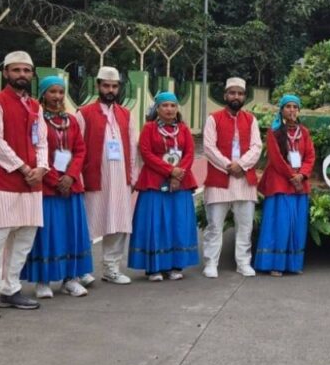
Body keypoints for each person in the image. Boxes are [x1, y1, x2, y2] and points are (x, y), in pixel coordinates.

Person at [0, 51, 48, 319]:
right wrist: (24, 167)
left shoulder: (36, 106)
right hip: (4, 181)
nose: (22, 76)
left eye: (27, 71)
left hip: (32, 184)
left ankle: (10, 288)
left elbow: (42, 141)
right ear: (5, 73)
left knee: (24, 240)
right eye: (16, 71)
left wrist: (41, 167)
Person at [21, 76, 92, 299]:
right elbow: (34, 151)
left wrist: (70, 176)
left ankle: (70, 279)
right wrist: (54, 179)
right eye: (52, 92)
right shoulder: (35, 120)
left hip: (71, 187)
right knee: (48, 233)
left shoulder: (70, 120)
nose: (57, 97)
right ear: (43, 94)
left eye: (61, 92)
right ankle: (43, 280)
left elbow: (80, 150)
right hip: (48, 187)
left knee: (72, 231)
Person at [75, 66, 137, 285]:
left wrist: (132, 176)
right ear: (98, 86)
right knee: (89, 223)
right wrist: (77, 177)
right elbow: (77, 147)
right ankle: (81, 270)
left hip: (120, 179)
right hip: (94, 178)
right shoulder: (84, 113)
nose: (110, 90)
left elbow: (132, 144)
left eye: (114, 86)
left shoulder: (125, 114)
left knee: (118, 223)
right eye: (106, 86)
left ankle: (111, 268)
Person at [129, 91, 200, 281]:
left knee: (178, 223)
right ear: (157, 109)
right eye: (165, 105)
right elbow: (146, 153)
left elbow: (189, 154)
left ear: (177, 109)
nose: (169, 109)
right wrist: (170, 171)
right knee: (156, 223)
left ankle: (175, 265)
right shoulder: (149, 128)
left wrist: (178, 174)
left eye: (173, 105)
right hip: (155, 181)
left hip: (180, 183)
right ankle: (154, 267)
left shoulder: (183, 129)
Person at [202, 77, 262, 278]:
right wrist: (228, 165)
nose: (236, 96)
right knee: (214, 226)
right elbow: (209, 147)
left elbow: (257, 147)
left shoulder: (251, 120)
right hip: (220, 179)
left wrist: (241, 165)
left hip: (244, 180)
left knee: (245, 226)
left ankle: (243, 263)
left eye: (240, 93)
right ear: (225, 95)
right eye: (232, 93)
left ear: (244, 96)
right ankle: (211, 263)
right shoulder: (213, 118)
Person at [254, 94, 316, 276]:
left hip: (299, 184)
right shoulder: (274, 132)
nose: (291, 110)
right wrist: (292, 176)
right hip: (280, 183)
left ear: (298, 110)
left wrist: (302, 174)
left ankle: (293, 264)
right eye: (288, 106)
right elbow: (276, 158)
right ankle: (275, 264)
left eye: (295, 107)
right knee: (279, 224)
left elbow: (310, 156)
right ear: (281, 110)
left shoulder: (304, 132)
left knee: (296, 225)